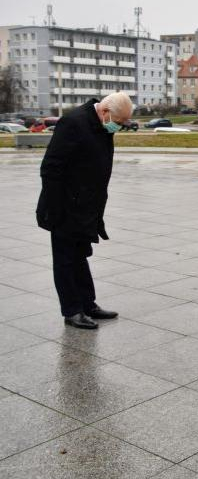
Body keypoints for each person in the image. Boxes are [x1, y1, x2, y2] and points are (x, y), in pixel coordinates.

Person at [36, 93, 133, 329]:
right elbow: (50, 168)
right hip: (64, 207)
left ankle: (88, 304)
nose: (118, 127)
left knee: (80, 257)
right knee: (65, 260)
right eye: (118, 123)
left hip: (86, 206)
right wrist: (56, 209)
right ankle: (72, 311)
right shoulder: (73, 123)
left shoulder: (101, 125)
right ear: (105, 112)